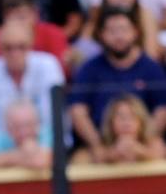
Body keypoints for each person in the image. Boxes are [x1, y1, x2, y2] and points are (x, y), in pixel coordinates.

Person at [69, 8, 166, 150]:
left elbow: (162, 110)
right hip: (100, 146)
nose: (119, 36)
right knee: (80, 160)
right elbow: (78, 111)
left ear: (135, 31)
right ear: (101, 34)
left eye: (124, 29)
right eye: (112, 31)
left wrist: (143, 142)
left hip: (144, 145)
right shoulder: (89, 69)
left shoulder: (152, 68)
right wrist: (98, 145)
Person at [0, 20, 65, 145]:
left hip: (45, 149)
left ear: (31, 45)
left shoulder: (48, 65)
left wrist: (41, 149)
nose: (15, 53)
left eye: (21, 47)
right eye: (8, 48)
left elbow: (54, 118)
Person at [76, 0, 160, 65]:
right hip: (102, 71)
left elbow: (152, 56)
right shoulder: (98, 15)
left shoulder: (144, 16)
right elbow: (80, 50)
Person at [0, 0, 72, 69]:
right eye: (12, 18)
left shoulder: (54, 34)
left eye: (22, 17)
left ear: (35, 14)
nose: (18, 23)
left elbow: (61, 71)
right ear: (3, 18)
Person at [72, 92, 166, 162]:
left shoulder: (154, 142)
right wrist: (112, 155)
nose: (126, 123)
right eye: (121, 117)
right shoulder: (100, 144)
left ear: (141, 122)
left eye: (132, 116)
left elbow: (160, 154)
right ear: (110, 122)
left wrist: (139, 151)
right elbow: (80, 159)